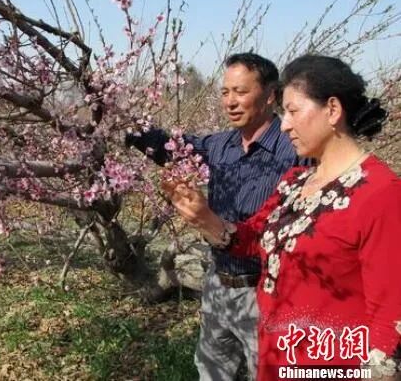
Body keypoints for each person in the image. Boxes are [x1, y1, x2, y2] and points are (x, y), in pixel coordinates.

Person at [163, 54, 401, 380]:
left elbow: (390, 317)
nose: (285, 124)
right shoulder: (296, 182)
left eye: (293, 111)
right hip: (276, 357)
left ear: (332, 110)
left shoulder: (381, 193)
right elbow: (253, 239)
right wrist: (203, 217)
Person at [127, 53, 307, 380]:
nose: (230, 101)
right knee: (211, 370)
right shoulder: (221, 145)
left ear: (270, 95)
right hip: (218, 284)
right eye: (225, 92)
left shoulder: (296, 150)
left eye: (240, 92)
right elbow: (173, 147)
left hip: (269, 291)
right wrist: (127, 126)